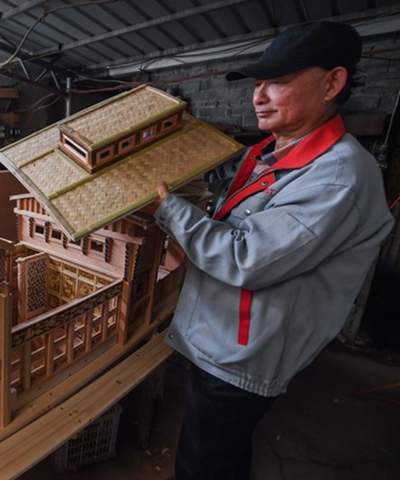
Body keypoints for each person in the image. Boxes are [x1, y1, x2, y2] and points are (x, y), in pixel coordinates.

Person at [152, 21, 395, 480]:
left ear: (333, 82)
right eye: (258, 83)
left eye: (278, 82)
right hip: (222, 332)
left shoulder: (338, 175)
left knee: (203, 462)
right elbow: (233, 216)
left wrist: (170, 209)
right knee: (219, 451)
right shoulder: (269, 151)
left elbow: (247, 259)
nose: (258, 97)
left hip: (242, 351)